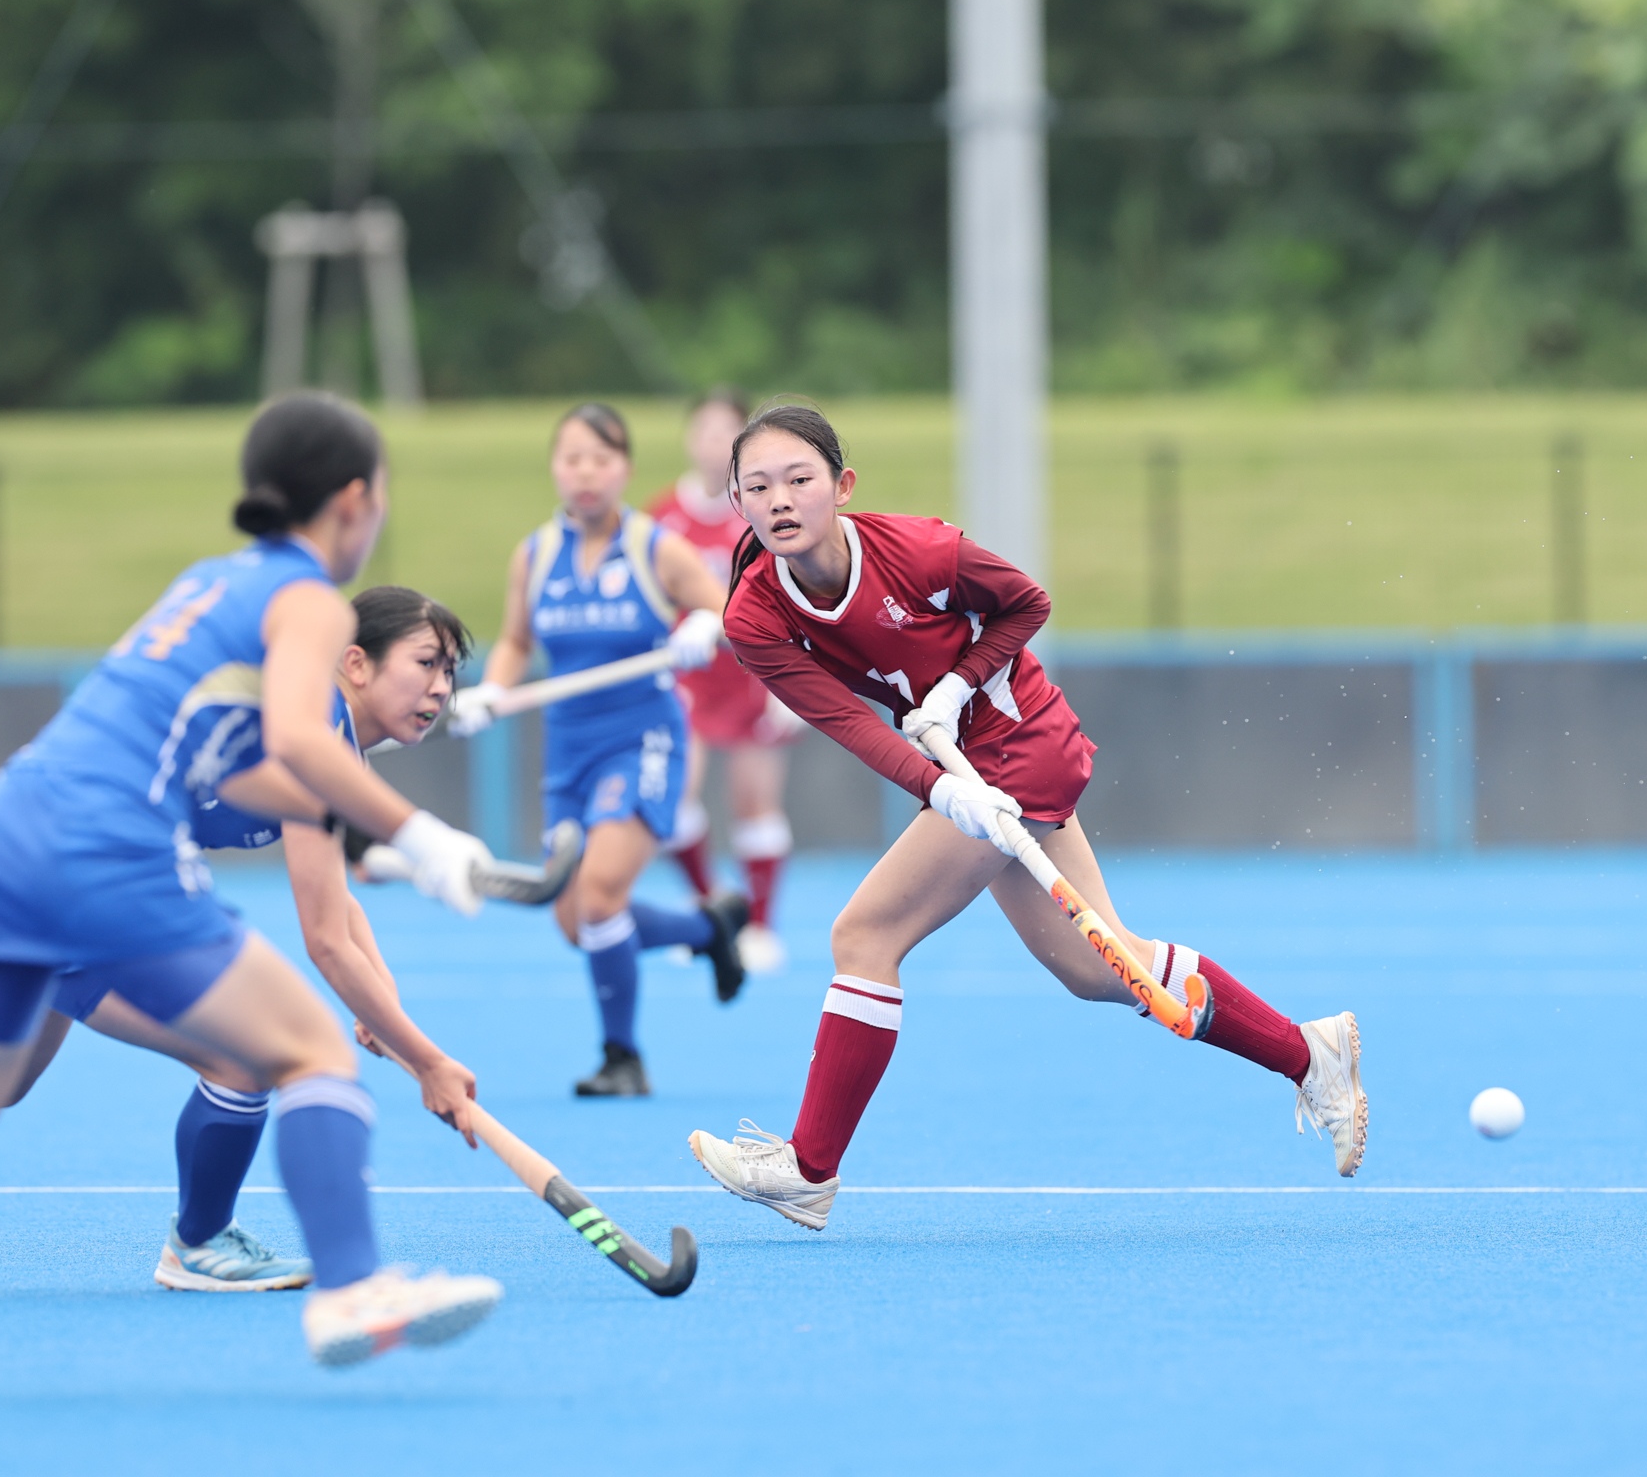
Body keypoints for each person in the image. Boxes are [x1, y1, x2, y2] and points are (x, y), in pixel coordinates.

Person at [0, 393, 507, 1404]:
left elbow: (271, 792)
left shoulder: (211, 581)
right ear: (353, 500)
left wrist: (373, 866)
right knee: (301, 1048)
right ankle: (350, 1288)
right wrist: (422, 840)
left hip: (6, 830)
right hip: (102, 849)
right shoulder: (310, 602)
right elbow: (305, 786)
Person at [684, 399, 1366, 1232]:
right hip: (962, 772)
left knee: (864, 936)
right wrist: (943, 789)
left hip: (1021, 742)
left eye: (800, 479)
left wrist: (955, 685)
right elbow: (849, 723)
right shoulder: (754, 615)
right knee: (1097, 967)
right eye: (758, 486)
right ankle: (1310, 1053)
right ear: (737, 500)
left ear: (843, 485)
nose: (780, 500)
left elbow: (1026, 603)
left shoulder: (921, 551)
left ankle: (809, 1169)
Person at [0, 585, 484, 1301]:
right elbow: (327, 942)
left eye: (450, 672)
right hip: (86, 872)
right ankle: (201, 1241)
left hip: (50, 853)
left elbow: (338, 906)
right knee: (245, 1055)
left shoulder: (326, 738)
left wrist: (387, 1010)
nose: (441, 687)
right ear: (357, 663)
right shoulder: (314, 729)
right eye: (425, 662)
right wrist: (427, 1059)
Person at [456, 402, 748, 1099]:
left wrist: (702, 626)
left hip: (642, 740)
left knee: (600, 895)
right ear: (555, 468)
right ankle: (705, 929)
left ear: (625, 468)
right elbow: (517, 640)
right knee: (572, 917)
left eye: (601, 459)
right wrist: (490, 691)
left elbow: (729, 609)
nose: (586, 473)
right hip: (569, 752)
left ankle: (622, 1058)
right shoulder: (535, 555)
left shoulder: (655, 548)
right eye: (572, 459)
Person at [649, 388, 800, 975]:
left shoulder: (760, 509)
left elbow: (790, 587)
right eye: (704, 431)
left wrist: (791, 674)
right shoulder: (663, 515)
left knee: (754, 801)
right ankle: (711, 911)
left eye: (726, 433)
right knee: (673, 796)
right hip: (687, 677)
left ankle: (759, 926)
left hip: (753, 672)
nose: (713, 444)